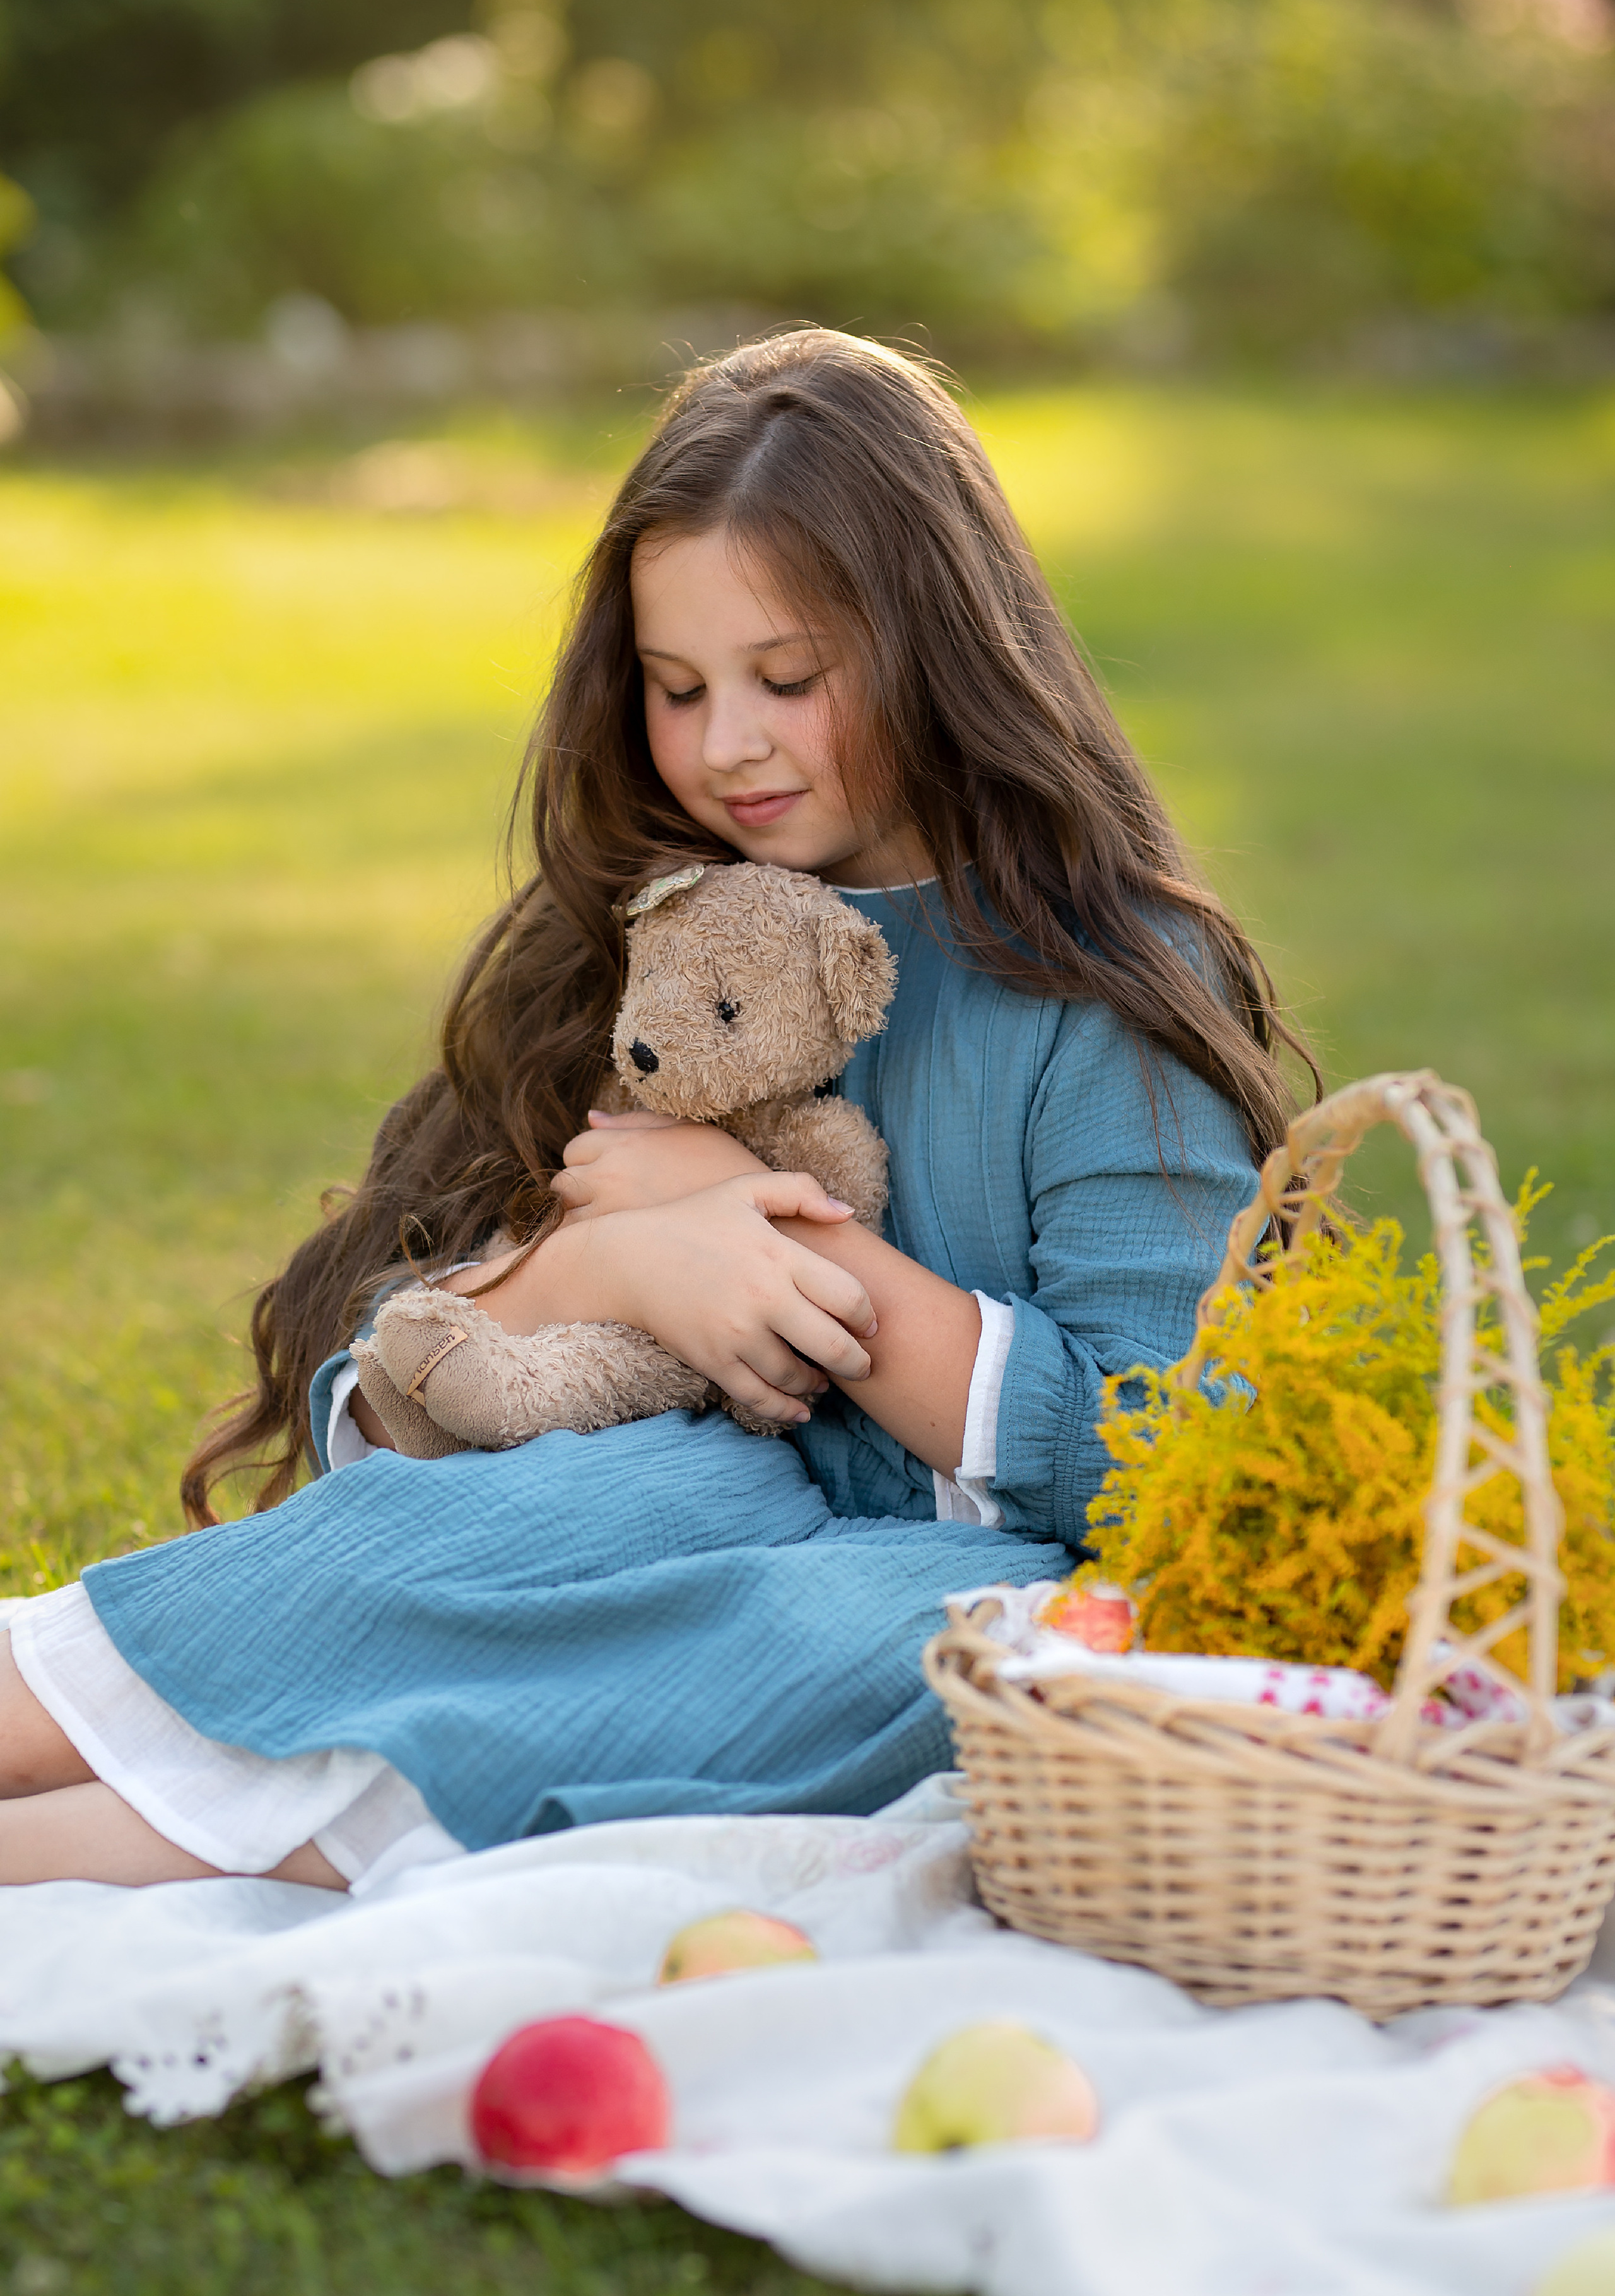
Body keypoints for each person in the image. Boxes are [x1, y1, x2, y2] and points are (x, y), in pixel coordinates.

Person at [0, 329, 1310, 1892]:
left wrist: (787, 1264)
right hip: (649, 1504)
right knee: (414, 1550)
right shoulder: (653, 935)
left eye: (786, 680)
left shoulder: (1092, 979)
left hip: (943, 1591)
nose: (725, 747)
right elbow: (404, 1384)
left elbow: (1159, 1454)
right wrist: (620, 1264)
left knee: (760, 1647)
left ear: (939, 641)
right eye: (675, 691)